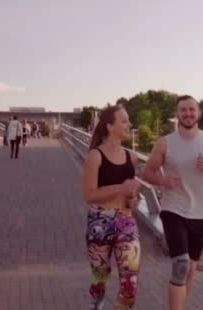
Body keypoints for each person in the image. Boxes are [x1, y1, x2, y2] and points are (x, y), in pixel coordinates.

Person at [143, 95, 203, 310]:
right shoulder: (165, 143)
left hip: (201, 213)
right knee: (181, 264)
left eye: (191, 109)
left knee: (192, 268)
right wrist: (163, 180)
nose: (187, 113)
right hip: (173, 209)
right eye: (183, 110)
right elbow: (147, 171)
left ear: (199, 113)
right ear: (177, 114)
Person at [83, 105, 142, 310]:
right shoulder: (95, 156)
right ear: (109, 126)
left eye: (128, 120)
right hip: (100, 221)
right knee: (100, 280)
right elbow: (89, 195)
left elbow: (130, 197)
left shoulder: (131, 157)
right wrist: (121, 187)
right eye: (124, 121)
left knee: (130, 283)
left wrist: (133, 200)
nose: (129, 124)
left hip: (126, 222)